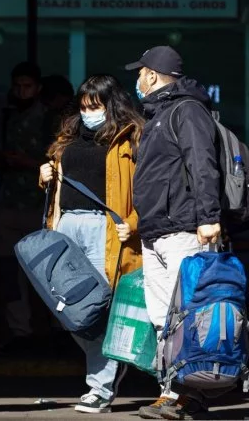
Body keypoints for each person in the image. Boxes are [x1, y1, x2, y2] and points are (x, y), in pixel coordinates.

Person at [125, 45, 221, 420]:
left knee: (185, 314)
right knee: (162, 317)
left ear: (152, 75)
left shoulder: (187, 110)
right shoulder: (157, 115)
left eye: (140, 73)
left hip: (183, 228)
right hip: (157, 230)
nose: (137, 80)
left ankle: (183, 395)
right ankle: (175, 392)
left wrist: (208, 216)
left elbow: (202, 164)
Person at [39, 74, 143, 414]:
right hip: (67, 224)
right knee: (68, 307)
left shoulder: (130, 139)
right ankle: (109, 365)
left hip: (105, 228)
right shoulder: (67, 136)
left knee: (95, 308)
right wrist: (45, 175)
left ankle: (100, 387)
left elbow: (148, 188)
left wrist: (133, 223)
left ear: (111, 106)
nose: (88, 114)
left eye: (95, 106)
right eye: (84, 107)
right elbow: (60, 178)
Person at [0, 61, 49, 354]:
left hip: (38, 204)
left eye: (27, 86)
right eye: (18, 86)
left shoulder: (49, 119)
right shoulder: (7, 117)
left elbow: (57, 160)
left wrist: (27, 163)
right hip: (9, 201)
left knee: (45, 271)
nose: (21, 91)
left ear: (38, 89)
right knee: (8, 270)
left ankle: (49, 330)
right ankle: (19, 331)